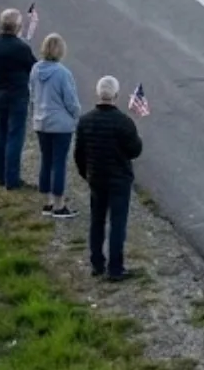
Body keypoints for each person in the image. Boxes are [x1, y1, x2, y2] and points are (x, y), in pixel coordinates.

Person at [76, 75, 144, 280]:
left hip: (96, 177)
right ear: (116, 95)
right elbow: (134, 151)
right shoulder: (123, 122)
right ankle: (116, 268)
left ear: (98, 94)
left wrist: (85, 173)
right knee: (117, 223)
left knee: (97, 221)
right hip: (119, 178)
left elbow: (79, 153)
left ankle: (97, 263)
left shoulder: (85, 121)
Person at [31, 34, 82, 219]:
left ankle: (48, 201)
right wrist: (77, 115)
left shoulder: (35, 69)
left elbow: (32, 92)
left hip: (41, 121)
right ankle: (60, 205)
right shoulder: (62, 73)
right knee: (59, 162)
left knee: (46, 160)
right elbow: (70, 101)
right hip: (60, 124)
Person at [0, 8, 37, 189]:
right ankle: (12, 178)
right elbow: (33, 67)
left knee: (2, 132)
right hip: (17, 94)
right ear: (17, 27)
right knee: (15, 135)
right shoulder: (20, 47)